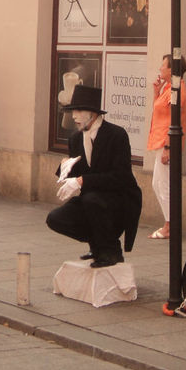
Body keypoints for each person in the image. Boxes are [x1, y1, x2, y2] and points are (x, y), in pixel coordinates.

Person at [46, 85, 142, 268]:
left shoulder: (116, 135)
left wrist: (83, 181)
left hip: (119, 198)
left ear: (93, 113)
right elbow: (77, 173)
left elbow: (120, 177)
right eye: (72, 111)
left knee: (92, 200)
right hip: (92, 198)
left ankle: (111, 251)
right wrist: (65, 167)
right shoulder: (75, 138)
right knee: (55, 218)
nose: (74, 116)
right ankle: (98, 244)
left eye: (79, 110)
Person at [147, 54, 186, 240]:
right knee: (158, 183)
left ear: (172, 70)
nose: (160, 68)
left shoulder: (178, 91)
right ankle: (169, 224)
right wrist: (156, 92)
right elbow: (160, 112)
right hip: (159, 141)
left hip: (166, 143)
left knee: (163, 184)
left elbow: (176, 120)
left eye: (163, 65)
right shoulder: (168, 89)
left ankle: (170, 226)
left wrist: (168, 147)